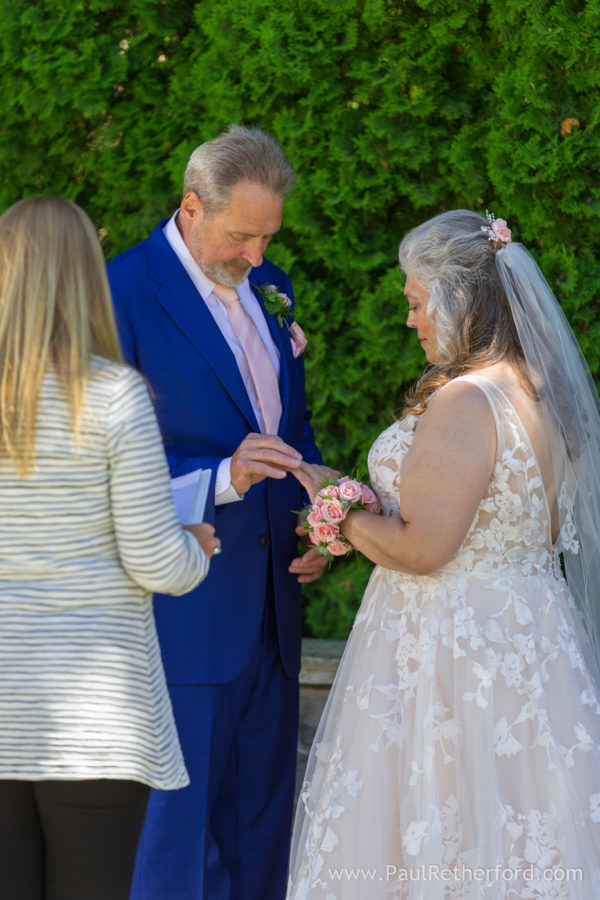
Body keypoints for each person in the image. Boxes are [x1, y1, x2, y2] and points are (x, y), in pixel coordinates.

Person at [287, 209, 600, 898]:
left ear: (457, 299)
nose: (410, 321)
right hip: (528, 643)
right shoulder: (539, 394)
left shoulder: (467, 401)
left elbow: (424, 547)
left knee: (442, 829)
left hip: (450, 655)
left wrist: (341, 512)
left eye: (417, 302)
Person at [107, 124, 326, 900]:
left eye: (269, 237)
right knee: (173, 848)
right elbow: (101, 464)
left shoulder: (274, 285)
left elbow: (293, 426)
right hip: (181, 618)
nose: (258, 257)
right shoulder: (122, 293)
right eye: (242, 236)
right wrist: (222, 479)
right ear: (191, 207)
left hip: (272, 615)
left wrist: (315, 520)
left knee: (262, 835)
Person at [0, 195, 219, 900]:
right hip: (95, 717)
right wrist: (196, 545)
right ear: (84, 277)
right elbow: (156, 561)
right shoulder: (114, 397)